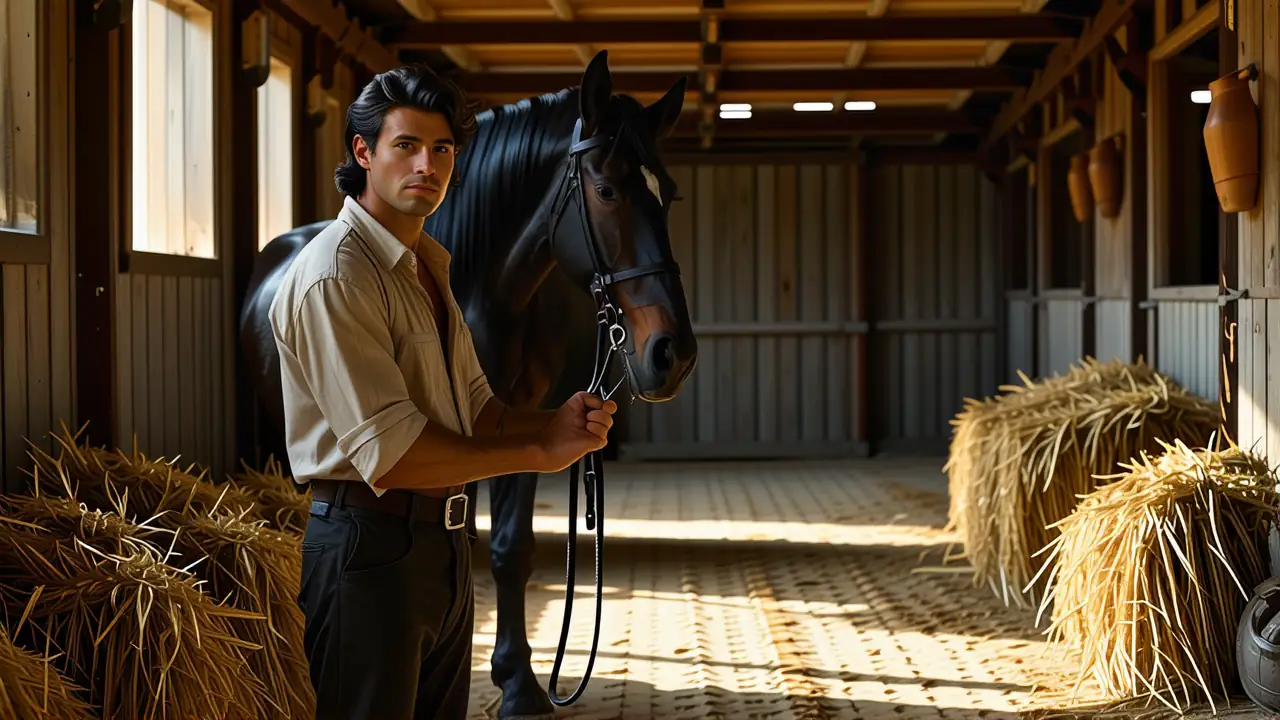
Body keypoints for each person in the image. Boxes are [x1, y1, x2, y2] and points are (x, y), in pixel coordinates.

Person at [268, 65, 617, 720]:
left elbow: (478, 411)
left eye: (443, 149)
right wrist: (538, 452)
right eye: (406, 146)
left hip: (441, 550)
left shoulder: (428, 264)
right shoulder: (337, 275)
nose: (427, 164)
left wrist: (553, 423)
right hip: (368, 549)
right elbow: (392, 456)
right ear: (363, 152)